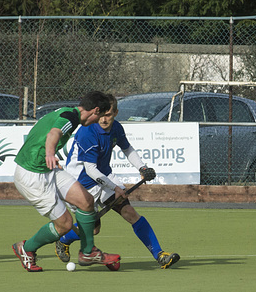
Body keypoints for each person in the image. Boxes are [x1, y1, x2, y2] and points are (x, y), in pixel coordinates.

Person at [57, 94, 181, 269]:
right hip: (80, 183)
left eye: (109, 115)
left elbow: (127, 148)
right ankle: (64, 240)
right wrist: (115, 187)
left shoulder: (116, 128)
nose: (105, 120)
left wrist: (142, 168)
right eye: (102, 115)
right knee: (93, 229)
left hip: (103, 177)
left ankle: (160, 254)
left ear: (116, 112)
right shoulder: (87, 131)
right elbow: (90, 170)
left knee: (130, 212)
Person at [12, 91, 120, 272]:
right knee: (65, 225)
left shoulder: (71, 112)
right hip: (31, 176)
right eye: (99, 116)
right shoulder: (70, 117)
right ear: (94, 111)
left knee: (86, 201)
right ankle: (27, 247)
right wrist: (49, 153)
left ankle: (88, 252)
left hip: (48, 169)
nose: (97, 121)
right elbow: (53, 133)